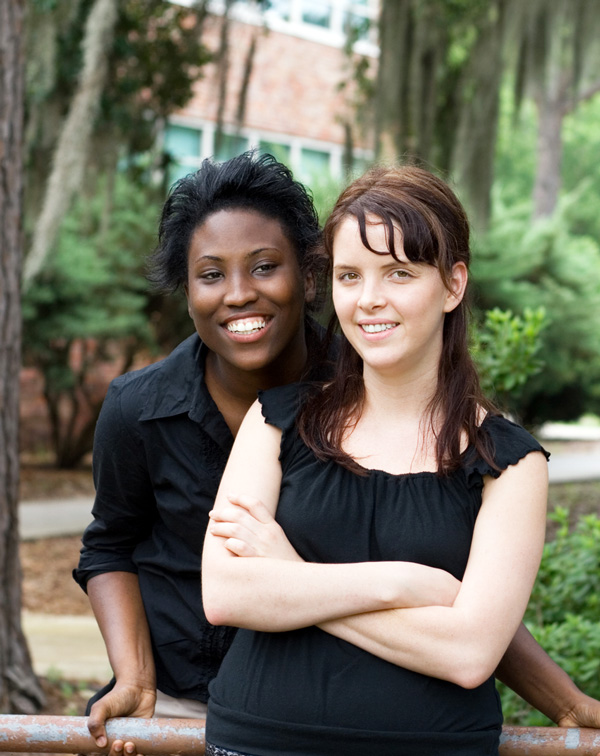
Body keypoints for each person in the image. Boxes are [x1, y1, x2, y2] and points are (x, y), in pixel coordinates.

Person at [75, 153, 600, 755]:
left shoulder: (450, 425)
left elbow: (472, 637)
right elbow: (175, 574)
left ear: (306, 278)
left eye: (265, 266)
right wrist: (406, 583)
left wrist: (289, 574)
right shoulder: (206, 412)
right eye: (211, 274)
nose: (240, 294)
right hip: (207, 706)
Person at [201, 164, 558, 755]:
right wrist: (401, 582)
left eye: (398, 273)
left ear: (452, 285)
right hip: (262, 741)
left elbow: (469, 655)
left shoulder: (509, 463)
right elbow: (226, 593)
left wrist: (289, 575)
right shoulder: (276, 421)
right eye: (349, 275)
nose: (369, 300)